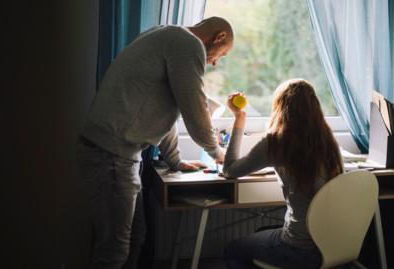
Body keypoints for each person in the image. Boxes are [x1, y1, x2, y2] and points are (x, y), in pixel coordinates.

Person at [78, 17, 233, 269]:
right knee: (113, 252)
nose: (214, 62)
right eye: (221, 55)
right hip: (111, 155)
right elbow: (195, 111)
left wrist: (175, 160)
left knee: (137, 237)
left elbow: (167, 110)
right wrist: (218, 152)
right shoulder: (188, 44)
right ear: (219, 37)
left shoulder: (164, 35)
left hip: (118, 155)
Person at [223, 79, 344, 269]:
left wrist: (239, 119)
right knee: (264, 231)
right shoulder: (328, 141)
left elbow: (230, 170)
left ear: (280, 108)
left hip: (300, 250)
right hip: (335, 249)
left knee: (234, 249)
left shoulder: (276, 142)